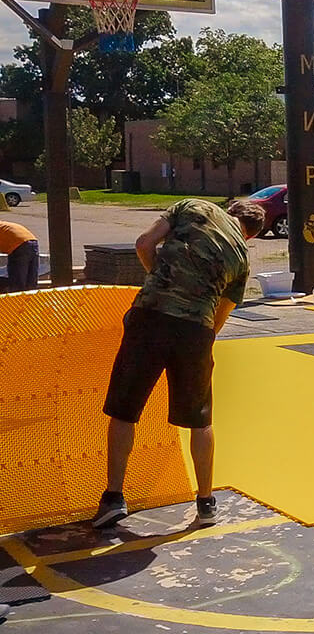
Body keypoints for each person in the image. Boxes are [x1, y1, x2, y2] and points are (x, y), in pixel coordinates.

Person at [94, 198, 266, 528]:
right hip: (195, 330)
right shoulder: (242, 258)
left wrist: (162, 280)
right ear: (252, 236)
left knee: (124, 410)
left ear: (230, 210)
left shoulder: (192, 207)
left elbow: (144, 243)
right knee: (200, 419)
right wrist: (199, 341)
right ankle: (205, 503)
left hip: (150, 316)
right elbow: (220, 316)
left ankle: (113, 498)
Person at [0, 221, 39, 292]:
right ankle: (29, 301)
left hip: (18, 245)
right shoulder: (3, 225)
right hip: (32, 241)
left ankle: (17, 301)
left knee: (17, 284)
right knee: (30, 283)